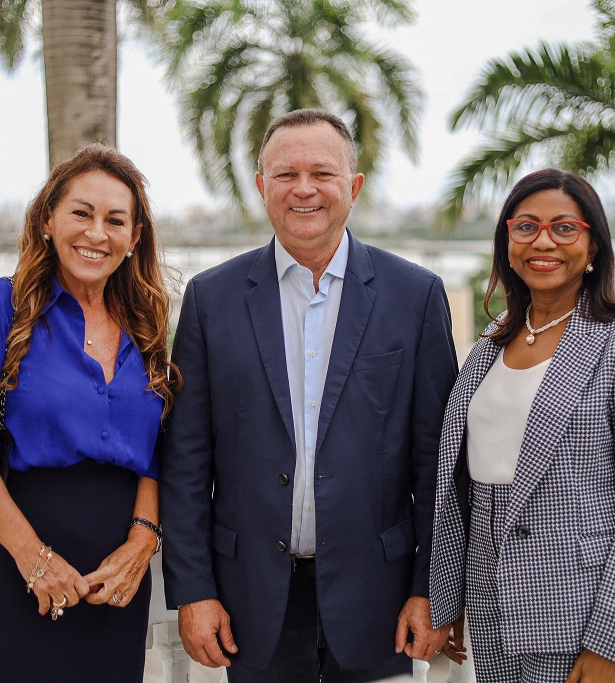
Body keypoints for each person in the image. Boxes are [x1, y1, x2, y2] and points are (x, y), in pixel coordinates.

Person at [159, 109, 459, 682]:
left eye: (322, 173)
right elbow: (186, 462)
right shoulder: (210, 299)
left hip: (381, 596)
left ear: (354, 185)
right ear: (260, 186)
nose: (303, 189)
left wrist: (430, 589)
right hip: (250, 600)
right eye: (284, 174)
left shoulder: (415, 296)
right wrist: (193, 591)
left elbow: (437, 465)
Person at [0, 144, 177, 681]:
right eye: (81, 213)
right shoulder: (3, 305)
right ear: (47, 220)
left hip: (119, 576)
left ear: (134, 239)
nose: (96, 233)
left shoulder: (146, 328)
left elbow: (163, 450)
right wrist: (32, 557)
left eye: (116, 220)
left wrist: (142, 540)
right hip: (20, 564)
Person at [429, 169, 615, 683]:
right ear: (507, 244)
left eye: (564, 227)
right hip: (488, 610)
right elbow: (467, 489)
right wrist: (449, 593)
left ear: (593, 246)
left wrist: (612, 642)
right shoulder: (488, 349)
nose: (543, 241)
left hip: (575, 621)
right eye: (525, 227)